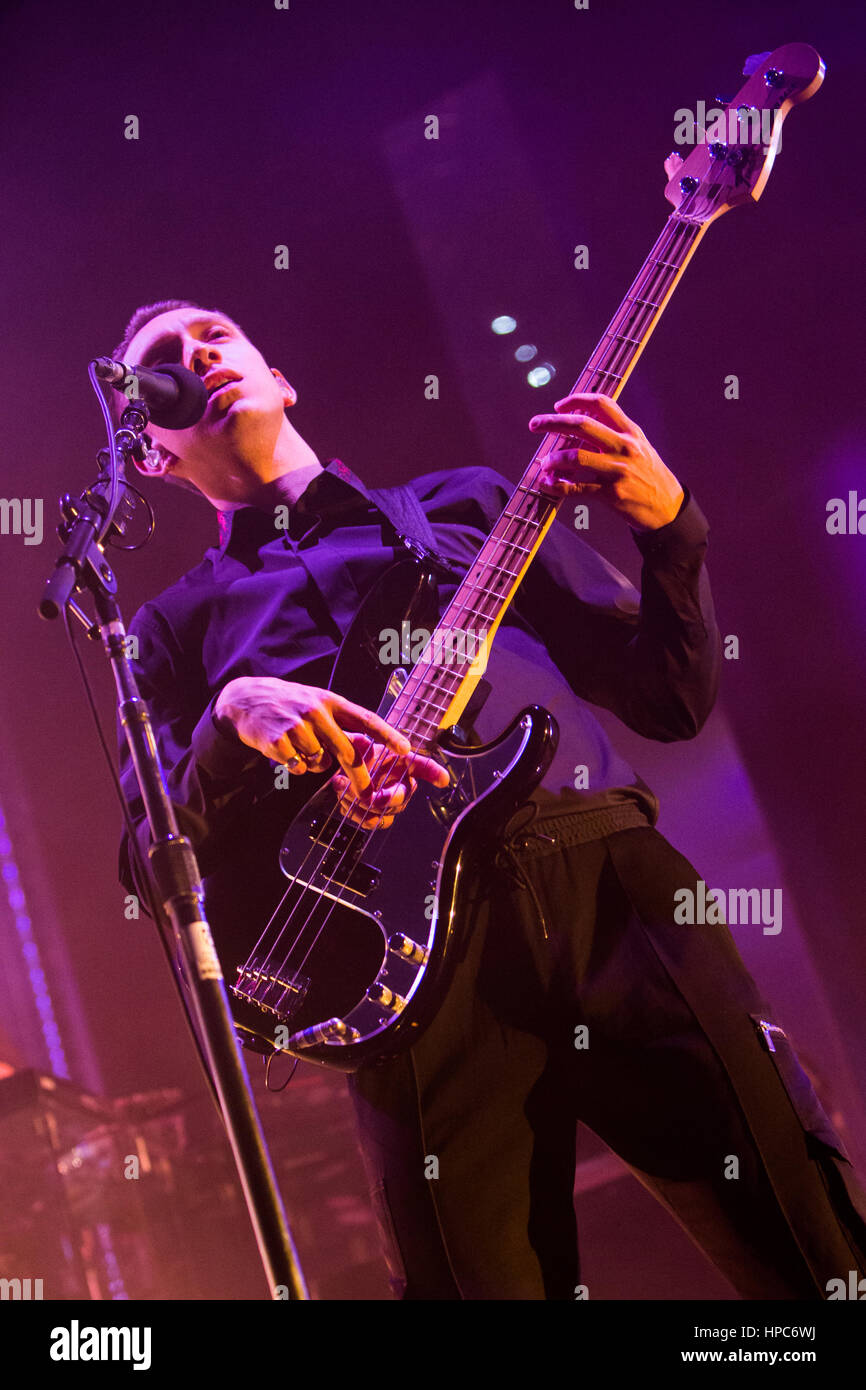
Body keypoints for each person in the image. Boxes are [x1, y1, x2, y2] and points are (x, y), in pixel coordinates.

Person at [116, 298, 866, 1300]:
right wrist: (226, 718)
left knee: (806, 1249)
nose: (196, 355)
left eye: (216, 333)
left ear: (279, 374)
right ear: (150, 453)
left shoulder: (468, 506)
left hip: (610, 894)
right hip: (403, 980)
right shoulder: (174, 631)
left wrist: (668, 525)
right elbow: (148, 856)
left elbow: (669, 696)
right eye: (162, 362)